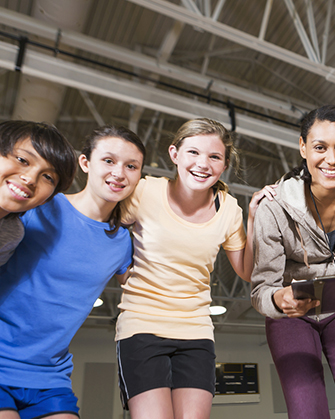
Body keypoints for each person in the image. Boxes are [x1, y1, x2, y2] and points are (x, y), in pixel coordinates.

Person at [0, 125, 145, 418]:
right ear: (86, 163)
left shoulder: (123, 242)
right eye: (109, 161)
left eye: (131, 166)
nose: (119, 173)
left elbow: (146, 289)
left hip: (48, 373)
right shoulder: (37, 205)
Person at [116, 118, 273, 419]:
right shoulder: (144, 191)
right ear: (174, 154)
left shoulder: (228, 209)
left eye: (214, 157)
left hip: (196, 330)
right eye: (193, 153)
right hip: (142, 325)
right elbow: (108, 235)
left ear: (224, 165)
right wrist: (124, 272)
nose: (203, 164)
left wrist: (252, 220)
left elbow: (247, 272)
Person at [251, 105, 335, 419]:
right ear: (303, 147)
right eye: (319, 147)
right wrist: (278, 299)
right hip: (293, 316)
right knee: (306, 411)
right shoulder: (273, 209)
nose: (331, 159)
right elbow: (260, 289)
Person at [0, 120, 76, 278]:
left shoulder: (9, 235)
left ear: (46, 199)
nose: (31, 179)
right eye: (22, 160)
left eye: (48, 177)